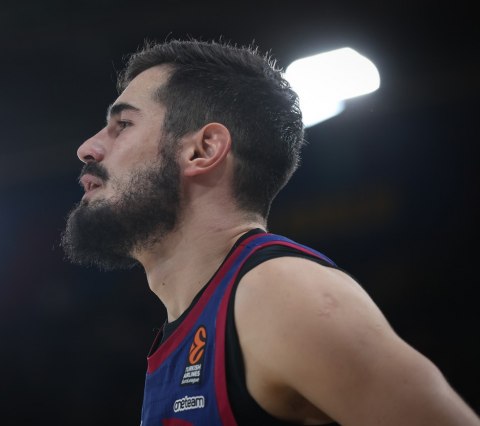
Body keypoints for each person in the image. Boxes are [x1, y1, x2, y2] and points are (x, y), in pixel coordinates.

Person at [60, 38, 480, 425]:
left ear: (203, 150)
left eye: (123, 124)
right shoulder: (198, 322)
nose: (88, 148)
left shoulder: (280, 295)